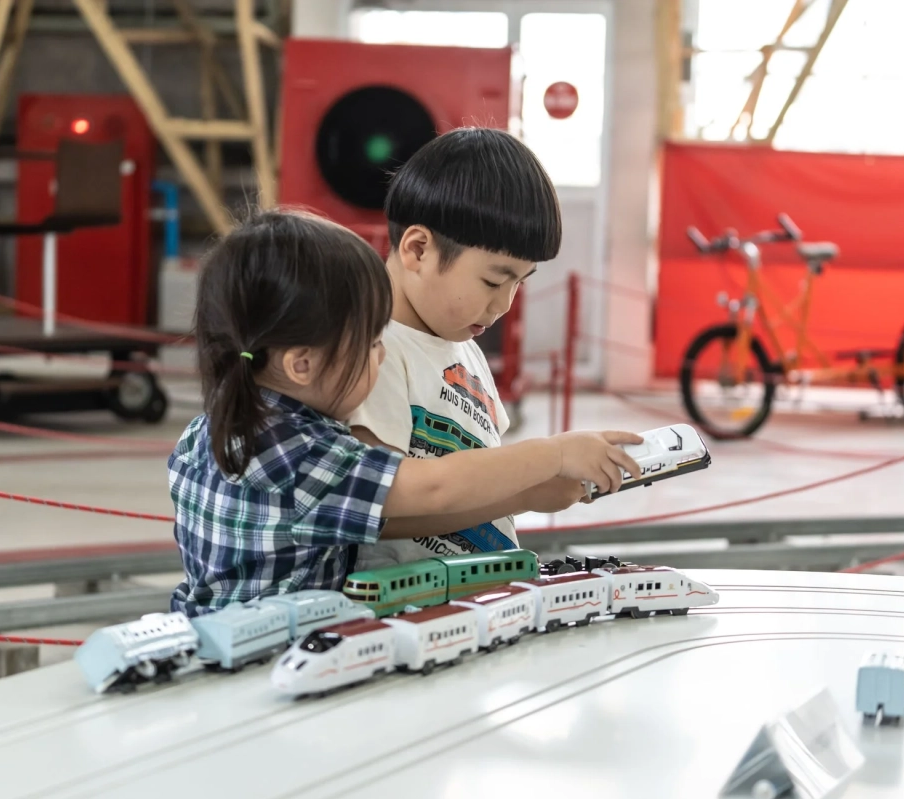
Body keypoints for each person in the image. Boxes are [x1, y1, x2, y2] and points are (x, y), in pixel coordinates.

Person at [168, 209, 641, 615]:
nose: (382, 356)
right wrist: (555, 453)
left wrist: (534, 493)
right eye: (373, 343)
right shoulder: (300, 456)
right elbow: (433, 487)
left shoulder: (210, 431)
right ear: (302, 363)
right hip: (273, 656)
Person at [349, 127, 628, 569]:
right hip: (406, 616)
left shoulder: (459, 342)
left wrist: (534, 490)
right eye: (494, 281)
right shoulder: (371, 351)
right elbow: (378, 510)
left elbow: (468, 487)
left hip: (475, 599)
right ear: (418, 249)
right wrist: (549, 456)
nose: (503, 305)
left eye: (519, 283)